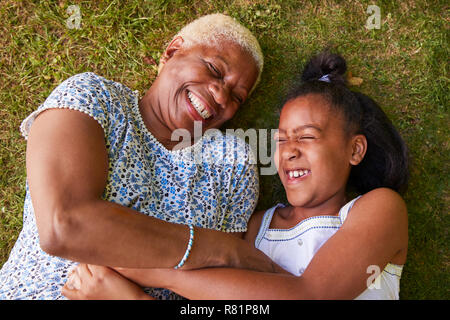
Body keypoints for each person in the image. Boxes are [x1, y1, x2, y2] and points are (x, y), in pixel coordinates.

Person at [62, 51, 409, 300]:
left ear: (355, 150)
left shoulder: (379, 210)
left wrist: (147, 272)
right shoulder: (256, 229)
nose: (288, 151)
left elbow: (311, 294)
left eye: (306, 136)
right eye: (281, 139)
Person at [0, 14, 282, 300]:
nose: (222, 97)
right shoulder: (94, 98)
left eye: (237, 97)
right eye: (214, 70)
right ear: (172, 52)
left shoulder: (232, 163)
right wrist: (221, 249)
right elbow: (65, 225)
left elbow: (215, 293)